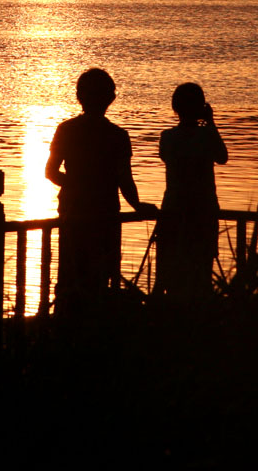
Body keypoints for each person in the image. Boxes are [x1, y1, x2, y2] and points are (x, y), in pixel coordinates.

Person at [45, 68, 152, 312]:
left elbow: (51, 172)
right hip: (105, 212)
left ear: (79, 96)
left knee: (71, 270)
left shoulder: (67, 129)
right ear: (110, 99)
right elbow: (125, 179)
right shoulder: (117, 136)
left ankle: (66, 323)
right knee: (103, 272)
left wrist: (76, 185)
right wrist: (137, 206)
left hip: (74, 210)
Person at [157, 82, 229, 301]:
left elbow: (165, 158)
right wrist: (210, 123)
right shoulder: (206, 136)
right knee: (201, 270)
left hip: (173, 210)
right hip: (203, 210)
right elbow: (222, 157)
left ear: (175, 107)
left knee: (172, 271)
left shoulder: (167, 138)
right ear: (201, 107)